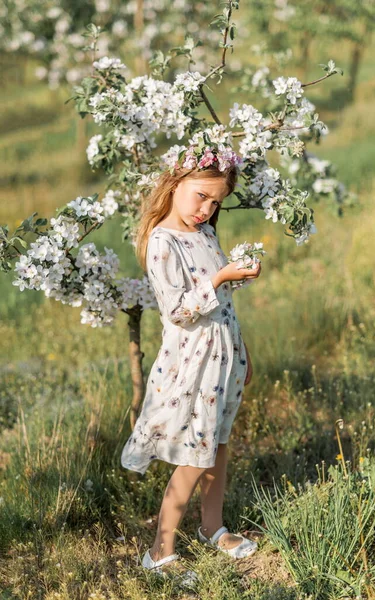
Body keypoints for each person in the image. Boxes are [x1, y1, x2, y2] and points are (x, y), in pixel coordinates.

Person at [121, 143, 262, 582]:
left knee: (217, 445)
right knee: (194, 453)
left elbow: (221, 305)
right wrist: (220, 277)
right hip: (194, 363)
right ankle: (159, 551)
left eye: (215, 202)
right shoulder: (163, 242)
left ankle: (211, 526)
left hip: (224, 357)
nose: (206, 209)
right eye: (200, 195)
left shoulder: (204, 233)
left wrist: (243, 352)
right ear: (175, 182)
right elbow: (179, 311)